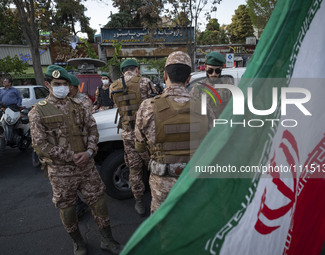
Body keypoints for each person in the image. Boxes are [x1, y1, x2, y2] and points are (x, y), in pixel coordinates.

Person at [28, 65, 122, 255]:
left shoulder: (79, 106)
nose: (62, 87)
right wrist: (71, 157)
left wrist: (89, 151)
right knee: (68, 209)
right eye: (57, 84)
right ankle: (78, 242)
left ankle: (107, 239)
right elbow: (40, 145)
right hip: (61, 172)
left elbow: (92, 130)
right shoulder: (38, 112)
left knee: (99, 203)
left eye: (65, 84)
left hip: (86, 166)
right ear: (48, 84)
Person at [134, 51, 208, 213]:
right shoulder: (203, 108)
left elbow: (140, 147)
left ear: (165, 75)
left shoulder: (148, 107)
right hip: (193, 182)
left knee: (162, 228)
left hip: (162, 183)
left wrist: (154, 161)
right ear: (188, 78)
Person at [109, 59, 157, 216]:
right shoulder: (145, 82)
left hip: (128, 133)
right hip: (146, 133)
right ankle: (158, 199)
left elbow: (117, 106)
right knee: (154, 166)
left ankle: (139, 202)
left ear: (122, 71)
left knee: (134, 169)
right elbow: (155, 104)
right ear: (137, 69)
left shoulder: (113, 86)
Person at [68, 74, 92, 219]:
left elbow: (87, 125)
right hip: (67, 148)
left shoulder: (84, 101)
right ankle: (78, 203)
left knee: (87, 181)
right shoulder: (63, 101)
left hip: (81, 146)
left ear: (72, 87)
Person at [190, 51, 233, 118]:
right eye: (210, 71)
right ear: (205, 67)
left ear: (222, 68)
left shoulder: (229, 89)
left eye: (217, 71)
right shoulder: (197, 89)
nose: (214, 74)